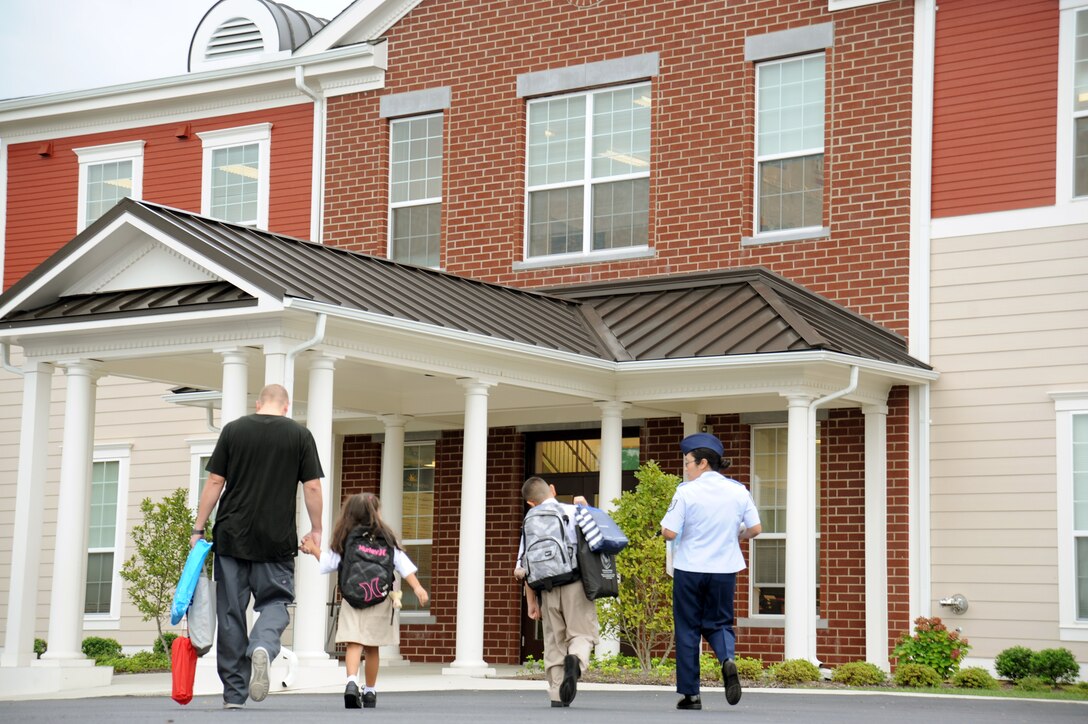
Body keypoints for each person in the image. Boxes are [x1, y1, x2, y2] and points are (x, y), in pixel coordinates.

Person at [191, 383, 324, 710]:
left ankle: (234, 695)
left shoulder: (233, 431)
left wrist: (198, 528)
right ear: (286, 406)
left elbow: (215, 481)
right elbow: (312, 487)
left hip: (232, 536)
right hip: (276, 540)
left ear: (258, 403)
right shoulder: (300, 435)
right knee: (276, 602)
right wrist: (316, 529)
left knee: (231, 613)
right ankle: (263, 644)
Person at [660, 432, 762, 711]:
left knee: (688, 629)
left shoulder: (686, 491)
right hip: (724, 569)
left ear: (702, 463)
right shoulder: (738, 490)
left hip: (690, 568)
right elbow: (755, 528)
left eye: (687, 463)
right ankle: (727, 659)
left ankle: (691, 695)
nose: (686, 469)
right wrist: (737, 534)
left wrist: (666, 530)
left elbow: (669, 532)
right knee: (719, 623)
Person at [299, 492, 428, 709]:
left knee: (354, 643)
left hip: (352, 598)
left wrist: (313, 549)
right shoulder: (387, 540)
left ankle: (351, 682)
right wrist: (418, 588)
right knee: (372, 647)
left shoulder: (346, 539)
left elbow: (329, 563)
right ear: (376, 513)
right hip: (379, 599)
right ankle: (369, 691)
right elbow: (403, 565)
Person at [515, 476, 598, 708]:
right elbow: (601, 538)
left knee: (553, 641)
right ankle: (576, 660)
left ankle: (557, 694)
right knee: (582, 633)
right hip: (575, 584)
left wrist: (532, 602)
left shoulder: (529, 522)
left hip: (547, 589)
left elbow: (523, 567)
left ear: (530, 503)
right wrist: (588, 509)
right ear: (552, 489)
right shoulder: (573, 511)